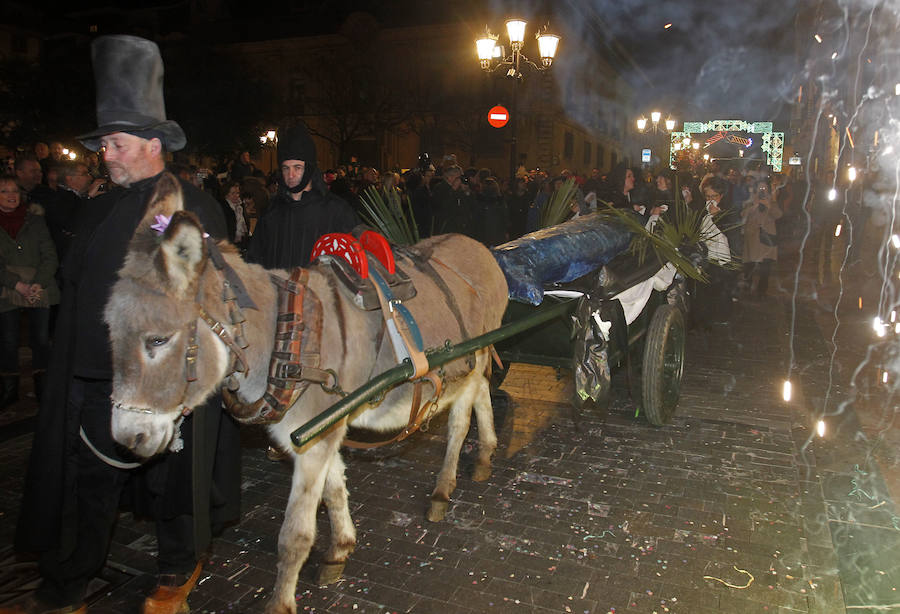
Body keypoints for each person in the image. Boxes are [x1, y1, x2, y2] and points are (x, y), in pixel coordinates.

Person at [7, 35, 241, 614]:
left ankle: (175, 568)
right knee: (88, 486)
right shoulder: (101, 203)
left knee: (171, 483)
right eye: (104, 142)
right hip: (90, 378)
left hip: (155, 384)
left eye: (114, 141)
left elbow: (205, 293)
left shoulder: (180, 207)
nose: (104, 153)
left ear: (153, 143)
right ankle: (66, 586)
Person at [246, 122, 358, 269]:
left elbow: (354, 259)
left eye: (297, 168)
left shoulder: (336, 210)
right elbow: (255, 259)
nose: (290, 175)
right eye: (286, 168)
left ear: (309, 168)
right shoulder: (272, 211)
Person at [0, 175, 59, 408]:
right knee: (8, 340)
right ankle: (9, 388)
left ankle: (43, 387)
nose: (11, 195)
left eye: (14, 190)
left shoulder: (34, 220)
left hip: (38, 288)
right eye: (4, 191)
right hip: (6, 289)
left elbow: (50, 255)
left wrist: (38, 282)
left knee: (41, 340)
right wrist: (16, 284)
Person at [741, 177, 782, 299]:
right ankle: (747, 287)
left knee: (766, 267)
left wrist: (769, 205)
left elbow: (779, 215)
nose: (762, 191)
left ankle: (762, 291)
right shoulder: (750, 200)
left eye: (764, 188)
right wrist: (754, 205)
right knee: (750, 265)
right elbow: (743, 215)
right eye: (760, 188)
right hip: (753, 238)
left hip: (767, 238)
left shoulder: (772, 201)